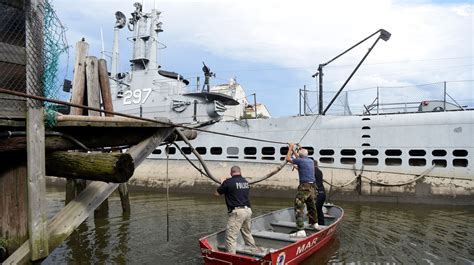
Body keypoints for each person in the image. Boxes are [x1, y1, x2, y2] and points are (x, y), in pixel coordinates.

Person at [215, 165, 257, 254]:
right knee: (247, 233)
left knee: (231, 237)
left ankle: (231, 258)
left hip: (238, 212)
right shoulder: (245, 182)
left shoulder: (228, 182)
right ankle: (253, 253)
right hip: (248, 211)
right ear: (240, 172)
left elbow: (217, 193)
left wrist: (222, 183)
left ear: (231, 173)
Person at [286, 143, 317, 237]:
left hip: (304, 187)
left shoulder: (301, 161)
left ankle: (300, 230)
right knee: (311, 206)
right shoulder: (310, 160)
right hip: (313, 187)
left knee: (298, 207)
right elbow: (300, 157)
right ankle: (314, 223)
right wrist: (298, 148)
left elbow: (287, 159)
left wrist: (290, 148)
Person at [314, 160, 326, 226]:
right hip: (323, 193)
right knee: (319, 209)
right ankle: (322, 225)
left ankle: (314, 224)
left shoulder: (313, 171)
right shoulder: (320, 171)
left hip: (318, 194)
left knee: (314, 209)